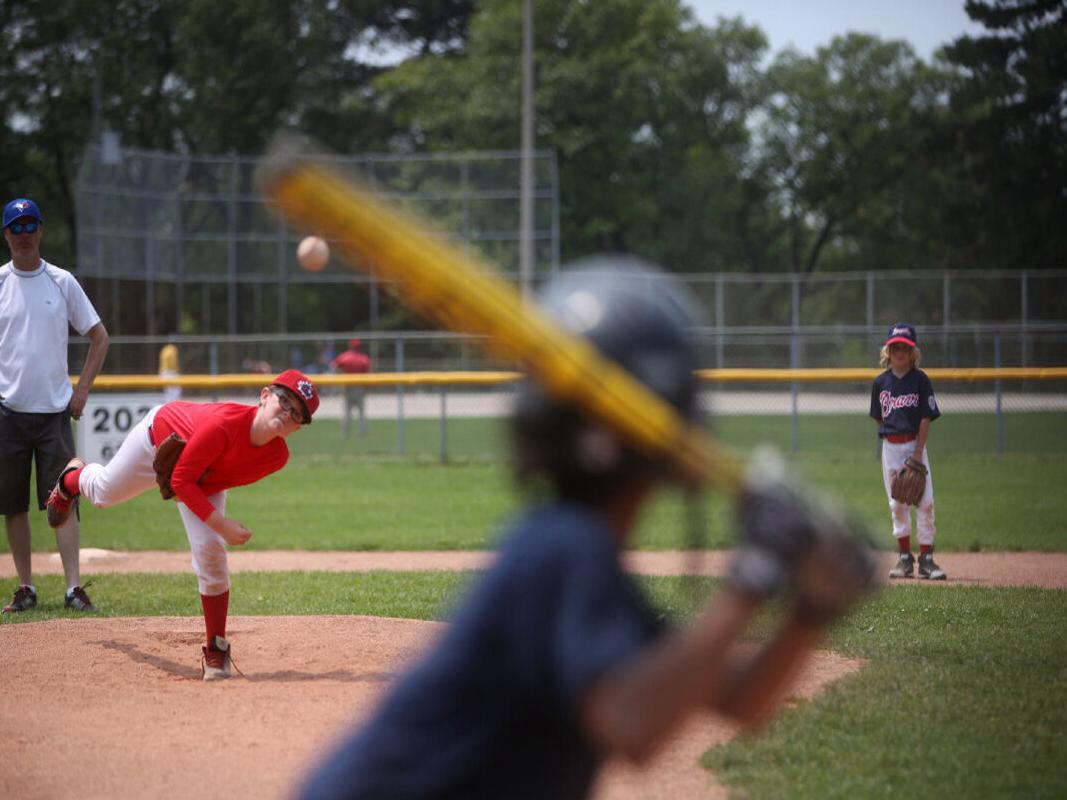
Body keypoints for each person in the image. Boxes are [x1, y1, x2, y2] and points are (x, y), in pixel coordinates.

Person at [297, 260, 872, 799]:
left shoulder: (577, 559)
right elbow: (631, 723)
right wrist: (753, 574)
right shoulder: (562, 549)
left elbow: (736, 697)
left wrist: (809, 610)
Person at [44, 369, 320, 679]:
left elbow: (212, 478)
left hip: (198, 471)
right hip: (156, 438)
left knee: (210, 551)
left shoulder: (276, 456)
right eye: (284, 401)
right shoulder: (224, 424)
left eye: (298, 414)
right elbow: (181, 478)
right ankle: (70, 480)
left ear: (298, 428)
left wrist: (198, 505)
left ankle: (216, 650)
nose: (287, 413)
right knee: (103, 494)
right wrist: (221, 523)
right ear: (265, 396)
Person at [1, 197, 109, 614]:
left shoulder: (61, 282)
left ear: (41, 231)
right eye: (17, 227)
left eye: (31, 226)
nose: (24, 235)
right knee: (12, 504)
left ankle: (72, 587)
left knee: (64, 501)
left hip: (54, 414)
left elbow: (99, 337)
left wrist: (81, 390)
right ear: (7, 234)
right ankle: (25, 587)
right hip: (8, 411)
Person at [870, 322, 946, 580]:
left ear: (913, 352)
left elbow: (926, 417)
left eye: (905, 347)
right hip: (890, 447)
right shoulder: (881, 382)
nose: (900, 351)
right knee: (897, 504)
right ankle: (904, 559)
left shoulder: (920, 380)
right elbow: (878, 418)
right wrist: (891, 440)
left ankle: (926, 559)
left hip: (915, 446)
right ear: (887, 351)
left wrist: (916, 454)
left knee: (925, 503)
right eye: (895, 347)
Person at [331, 338, 371, 437]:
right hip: (359, 387)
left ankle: (344, 433)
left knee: (346, 412)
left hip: (347, 386)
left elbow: (334, 367)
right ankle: (362, 433)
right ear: (359, 346)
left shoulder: (344, 357)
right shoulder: (363, 358)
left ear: (350, 346)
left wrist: (341, 376)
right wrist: (366, 387)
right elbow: (368, 372)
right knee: (361, 412)